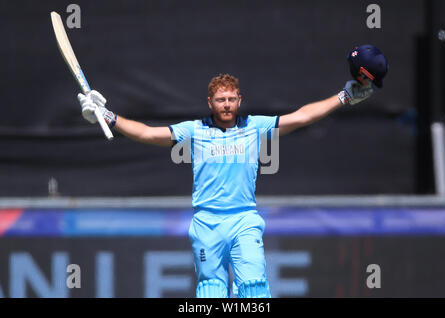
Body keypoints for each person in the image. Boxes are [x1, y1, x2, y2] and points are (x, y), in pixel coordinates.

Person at [77, 72, 374, 298]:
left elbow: (302, 116)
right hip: (207, 223)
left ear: (240, 100)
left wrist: (344, 97)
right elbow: (146, 133)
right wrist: (108, 116)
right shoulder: (193, 130)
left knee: (255, 291)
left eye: (232, 99)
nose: (227, 104)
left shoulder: (254, 127)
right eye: (221, 99)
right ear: (210, 102)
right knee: (211, 292)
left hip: (243, 219)